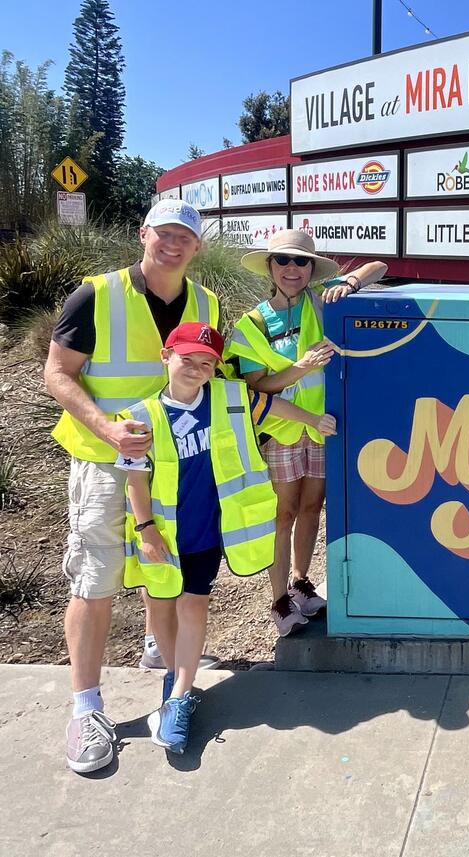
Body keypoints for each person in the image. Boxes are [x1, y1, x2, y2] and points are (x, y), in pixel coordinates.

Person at [45, 199, 218, 773]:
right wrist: (106, 428)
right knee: (96, 580)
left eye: (185, 238)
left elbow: (216, 377)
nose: (173, 244)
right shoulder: (96, 294)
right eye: (164, 233)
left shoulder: (207, 302)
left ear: (198, 247)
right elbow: (56, 372)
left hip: (173, 467)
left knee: (159, 563)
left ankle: (158, 652)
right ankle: (86, 708)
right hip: (101, 461)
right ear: (143, 234)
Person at [118, 322, 336, 754]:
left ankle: (180, 694)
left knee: (194, 604)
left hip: (206, 532)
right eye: (187, 359)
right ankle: (173, 678)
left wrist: (313, 419)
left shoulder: (230, 398)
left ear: (216, 367)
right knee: (162, 607)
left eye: (206, 363)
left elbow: (271, 406)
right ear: (167, 356)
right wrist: (145, 530)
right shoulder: (138, 416)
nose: (196, 369)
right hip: (161, 533)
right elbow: (135, 481)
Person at [226, 230, 384, 635]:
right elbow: (257, 386)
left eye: (301, 261)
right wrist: (302, 366)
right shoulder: (253, 323)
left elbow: (379, 267)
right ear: (270, 267)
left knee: (313, 508)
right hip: (281, 431)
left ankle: (301, 582)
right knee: (284, 514)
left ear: (312, 269)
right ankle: (279, 600)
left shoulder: (322, 300)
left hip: (322, 428)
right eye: (283, 261)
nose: (292, 269)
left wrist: (350, 282)